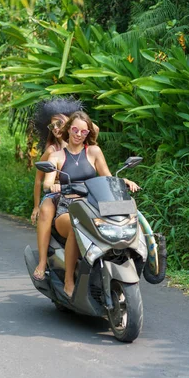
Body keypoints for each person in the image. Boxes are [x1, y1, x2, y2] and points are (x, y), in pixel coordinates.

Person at [43, 111, 140, 298]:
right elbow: (46, 182)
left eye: (83, 132)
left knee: (129, 215)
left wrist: (124, 180)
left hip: (93, 204)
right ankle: (69, 281)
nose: (79, 134)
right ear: (68, 129)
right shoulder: (57, 156)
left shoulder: (94, 152)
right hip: (68, 206)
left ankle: (143, 260)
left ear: (88, 133)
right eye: (75, 130)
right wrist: (53, 184)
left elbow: (108, 177)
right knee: (75, 227)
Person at [31, 98, 83, 281]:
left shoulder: (83, 144)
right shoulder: (52, 150)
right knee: (46, 212)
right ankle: (42, 262)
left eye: (59, 123)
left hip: (81, 190)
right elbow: (39, 180)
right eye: (52, 125)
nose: (55, 128)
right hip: (56, 192)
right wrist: (36, 206)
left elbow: (93, 130)